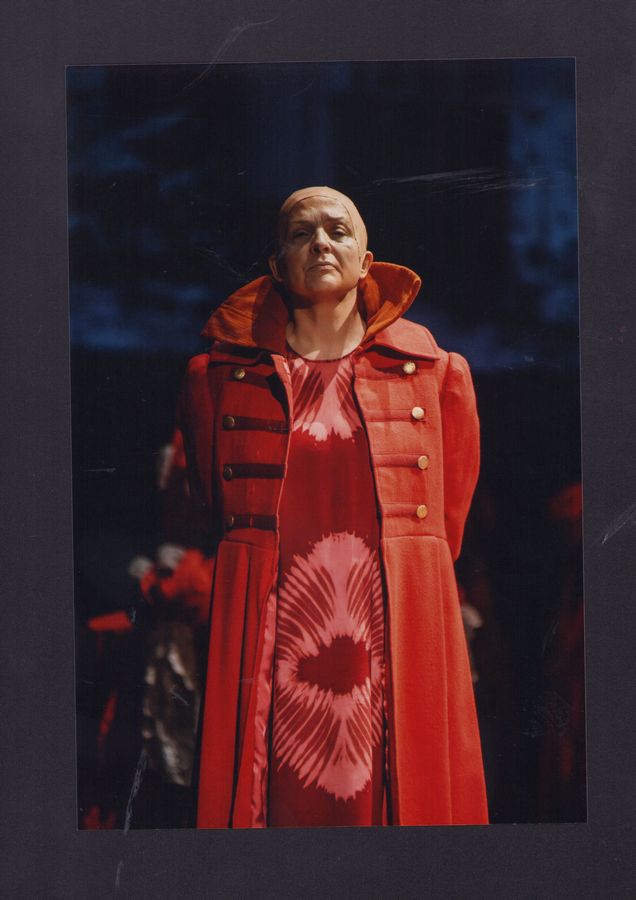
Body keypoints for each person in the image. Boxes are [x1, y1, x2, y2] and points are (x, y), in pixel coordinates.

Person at [176, 186, 488, 827]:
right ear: (276, 264)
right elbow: (216, 511)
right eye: (301, 233)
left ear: (367, 261)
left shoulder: (438, 375)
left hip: (394, 625)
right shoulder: (216, 378)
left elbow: (447, 527)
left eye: (337, 231)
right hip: (273, 638)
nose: (321, 243)